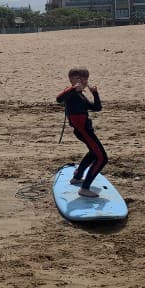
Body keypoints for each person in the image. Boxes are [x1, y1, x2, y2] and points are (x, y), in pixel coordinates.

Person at [56, 68, 108, 198]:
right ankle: (84, 189)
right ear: (71, 80)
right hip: (83, 131)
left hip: (85, 130)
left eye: (85, 79)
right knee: (102, 158)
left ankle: (77, 177)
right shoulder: (71, 94)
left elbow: (97, 107)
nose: (83, 81)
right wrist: (73, 88)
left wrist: (95, 93)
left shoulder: (81, 95)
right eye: (79, 79)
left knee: (93, 153)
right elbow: (58, 99)